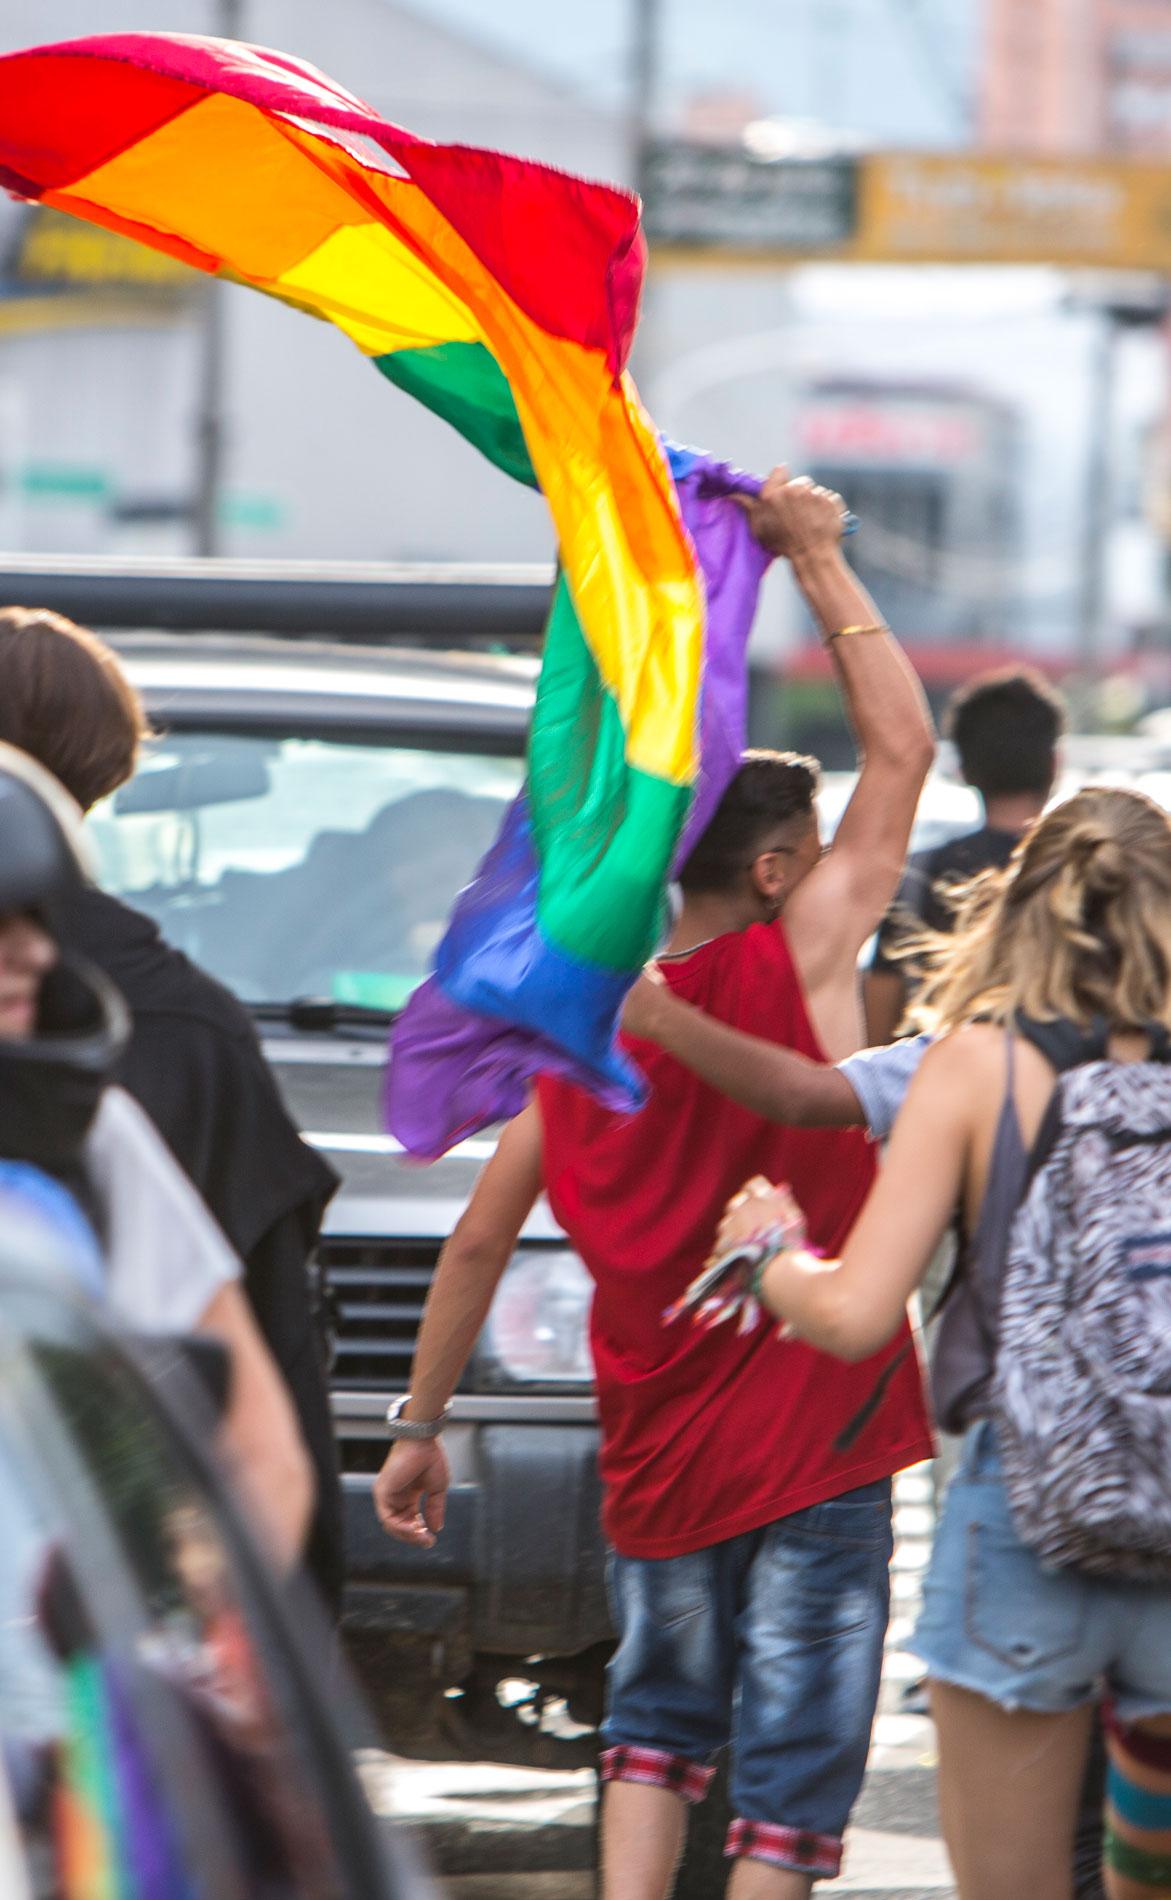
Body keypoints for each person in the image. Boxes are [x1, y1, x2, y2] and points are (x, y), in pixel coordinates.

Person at [375, 468, 937, 1900]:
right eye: (810, 864)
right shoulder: (796, 962)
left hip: (656, 1461)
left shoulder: (575, 1040)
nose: (835, 884)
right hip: (818, 1440)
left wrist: (420, 1427)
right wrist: (814, 558)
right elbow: (902, 748)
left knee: (653, 1729)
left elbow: (475, 1247)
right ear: (768, 872)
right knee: (795, 1763)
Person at [713, 785, 1171, 1900]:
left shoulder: (978, 1065)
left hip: (1023, 1521)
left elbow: (857, 1312)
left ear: (1020, 906)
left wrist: (768, 1252)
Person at [0, 605, 344, 1612]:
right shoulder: (195, 1028)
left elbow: (258, 1422)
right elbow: (277, 1380)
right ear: (107, 769)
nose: (27, 961)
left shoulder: (102, 1127)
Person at [863, 667, 1066, 1044]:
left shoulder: (918, 877)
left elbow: (877, 1030)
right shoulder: (1090, 871)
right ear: (1055, 763)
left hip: (938, 1084)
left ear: (963, 769)